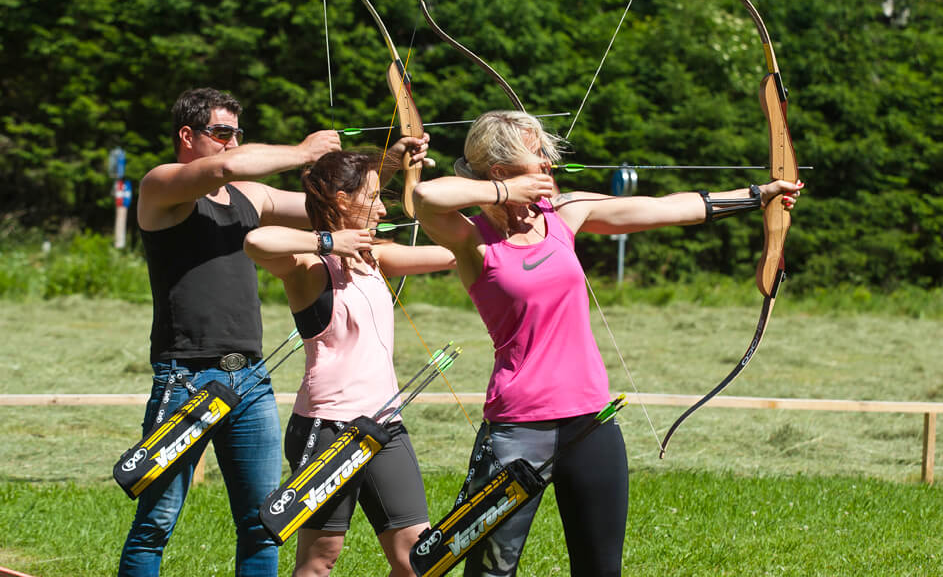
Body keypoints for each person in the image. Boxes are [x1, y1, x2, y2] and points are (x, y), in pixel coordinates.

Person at [411, 110, 803, 577]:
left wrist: (757, 195)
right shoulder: (473, 237)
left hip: (591, 422)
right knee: (492, 570)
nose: (548, 165)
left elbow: (664, 208)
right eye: (537, 156)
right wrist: (505, 193)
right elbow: (424, 195)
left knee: (601, 569)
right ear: (499, 171)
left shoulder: (565, 213)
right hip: (518, 427)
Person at [118, 86, 401, 577]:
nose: (230, 144)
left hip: (249, 379)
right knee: (156, 523)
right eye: (220, 132)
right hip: (185, 375)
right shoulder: (161, 185)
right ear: (187, 135)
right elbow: (228, 167)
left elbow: (328, 204)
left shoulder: (250, 196)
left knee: (264, 522)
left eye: (236, 134)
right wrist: (303, 152)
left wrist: (390, 165)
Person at [243, 149, 455, 577]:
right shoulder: (309, 265)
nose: (382, 207)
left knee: (418, 559)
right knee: (320, 561)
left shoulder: (377, 256)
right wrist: (328, 240)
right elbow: (255, 242)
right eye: (373, 196)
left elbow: (453, 253)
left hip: (385, 426)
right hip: (329, 430)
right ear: (341, 199)